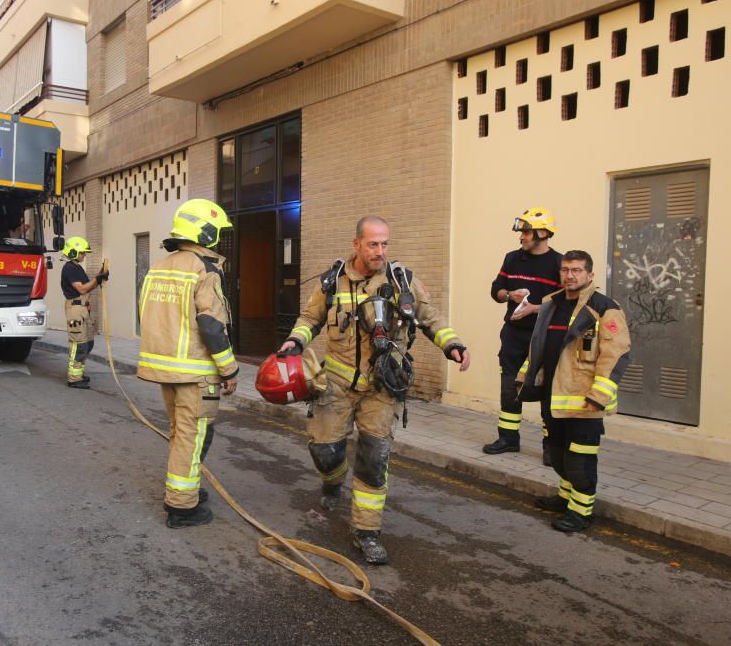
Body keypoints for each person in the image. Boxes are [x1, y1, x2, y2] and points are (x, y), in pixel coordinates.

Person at [278, 216, 470, 564]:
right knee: (325, 451)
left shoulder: (402, 281)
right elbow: (310, 319)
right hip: (335, 385)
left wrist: (452, 344)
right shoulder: (331, 281)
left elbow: (430, 317)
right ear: (356, 244)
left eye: (384, 244)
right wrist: (295, 341)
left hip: (383, 386)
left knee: (374, 459)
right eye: (372, 244)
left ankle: (366, 532)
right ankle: (333, 481)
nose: (380, 251)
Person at [137, 199, 238, 529]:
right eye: (218, 233)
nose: (219, 240)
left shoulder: (161, 266)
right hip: (196, 372)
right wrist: (229, 369)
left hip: (169, 369)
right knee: (193, 437)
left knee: (181, 433)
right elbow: (211, 326)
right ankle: (181, 506)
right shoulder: (205, 269)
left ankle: (186, 488)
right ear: (205, 233)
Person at [518, 250, 630, 532]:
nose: (570, 275)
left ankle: (581, 512)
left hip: (584, 401)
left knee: (580, 458)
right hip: (554, 396)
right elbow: (538, 346)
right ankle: (565, 498)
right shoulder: (551, 303)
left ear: (590, 275)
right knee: (558, 454)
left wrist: (599, 396)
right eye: (566, 270)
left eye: (577, 270)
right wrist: (524, 378)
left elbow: (615, 353)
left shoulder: (604, 308)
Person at [485, 208, 563, 461]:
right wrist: (509, 295)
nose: (522, 238)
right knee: (509, 387)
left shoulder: (559, 264)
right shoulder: (512, 259)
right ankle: (508, 439)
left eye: (526, 233)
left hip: (544, 337)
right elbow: (496, 290)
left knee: (546, 390)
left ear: (542, 233)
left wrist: (535, 308)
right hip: (513, 335)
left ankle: (551, 448)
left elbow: (566, 303)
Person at [60, 237, 108, 388]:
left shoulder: (77, 267)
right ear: (73, 252)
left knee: (88, 342)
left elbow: (88, 286)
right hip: (75, 309)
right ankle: (74, 379)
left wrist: (99, 279)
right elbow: (81, 289)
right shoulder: (69, 268)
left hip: (83, 309)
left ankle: (79, 373)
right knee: (78, 344)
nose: (84, 255)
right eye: (82, 253)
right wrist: (97, 279)